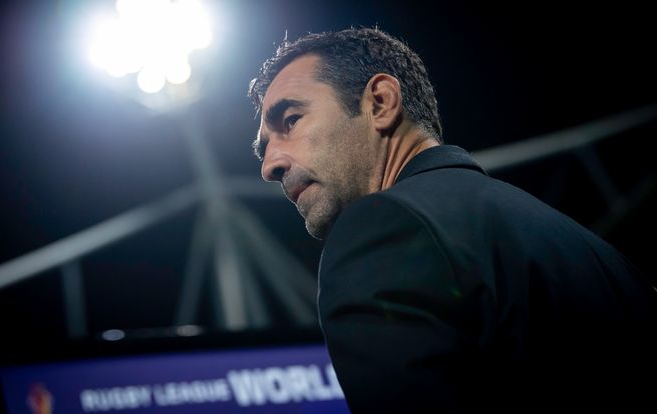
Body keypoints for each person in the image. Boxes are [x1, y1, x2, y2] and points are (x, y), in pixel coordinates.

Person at [247, 27, 657, 413]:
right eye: (264, 148)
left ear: (380, 103)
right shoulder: (602, 256)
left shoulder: (381, 230)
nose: (270, 165)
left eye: (291, 121)